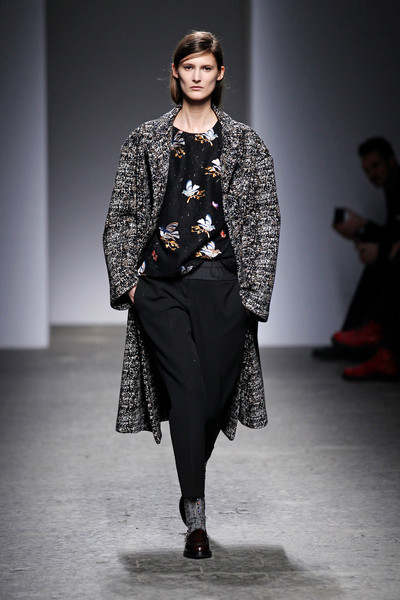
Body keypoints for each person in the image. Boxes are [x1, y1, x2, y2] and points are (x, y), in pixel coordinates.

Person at [103, 31, 280, 559]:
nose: (197, 76)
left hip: (223, 285)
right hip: (160, 287)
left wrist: (253, 294)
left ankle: (189, 487)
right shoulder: (145, 140)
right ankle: (197, 516)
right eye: (189, 67)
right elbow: (122, 213)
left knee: (215, 398)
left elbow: (266, 219)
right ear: (176, 73)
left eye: (206, 68)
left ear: (219, 74)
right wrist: (129, 283)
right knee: (186, 390)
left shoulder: (246, 144)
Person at [313, 137, 400, 380]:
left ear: (391, 161)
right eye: (367, 170)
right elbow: (393, 234)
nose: (372, 174)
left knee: (381, 263)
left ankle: (376, 336)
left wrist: (380, 250)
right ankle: (362, 337)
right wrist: (361, 228)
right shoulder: (391, 190)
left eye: (376, 166)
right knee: (377, 263)